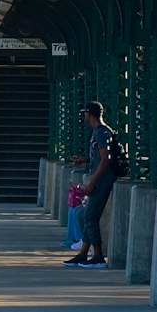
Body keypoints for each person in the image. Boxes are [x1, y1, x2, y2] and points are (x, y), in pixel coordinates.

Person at [66, 101, 116, 268]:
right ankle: (82, 254)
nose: (84, 116)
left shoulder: (101, 132)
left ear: (91, 114)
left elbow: (105, 160)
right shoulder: (100, 131)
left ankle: (98, 257)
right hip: (101, 178)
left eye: (85, 113)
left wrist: (91, 183)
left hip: (102, 180)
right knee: (88, 215)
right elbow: (100, 157)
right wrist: (86, 160)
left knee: (90, 217)